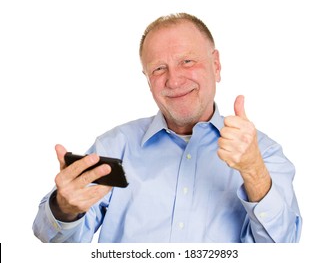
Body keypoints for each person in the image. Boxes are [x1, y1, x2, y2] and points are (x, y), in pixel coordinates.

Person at [33, 13, 302, 243]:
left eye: (187, 61)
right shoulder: (115, 146)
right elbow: (52, 237)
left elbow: (282, 246)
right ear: (147, 80)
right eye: (159, 68)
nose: (173, 80)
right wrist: (65, 208)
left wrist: (253, 171)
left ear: (216, 65)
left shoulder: (263, 153)